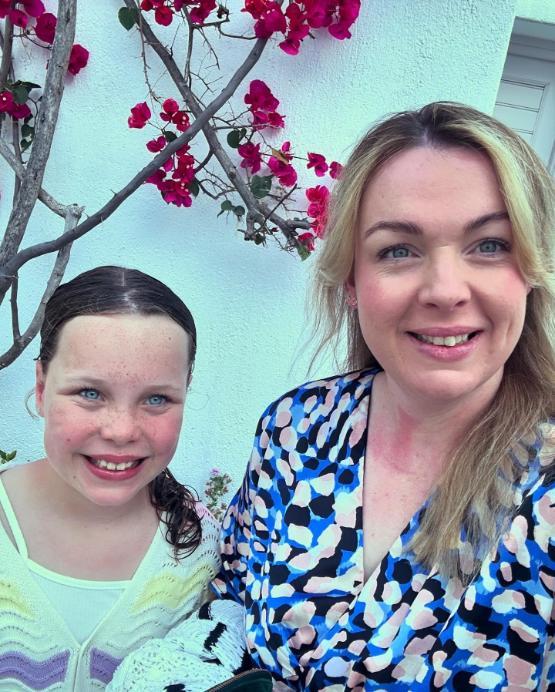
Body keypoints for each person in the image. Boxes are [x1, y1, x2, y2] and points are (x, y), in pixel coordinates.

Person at [213, 102, 555, 690]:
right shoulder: (297, 429)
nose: (445, 291)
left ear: (531, 269)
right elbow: (227, 609)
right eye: (398, 249)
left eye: (490, 245)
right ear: (351, 281)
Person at [0, 266, 223, 690]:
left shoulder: (199, 553)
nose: (121, 430)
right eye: (90, 393)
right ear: (42, 387)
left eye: (157, 398)